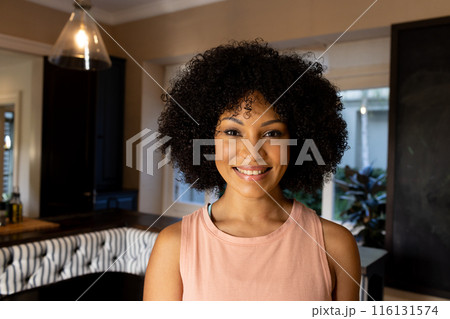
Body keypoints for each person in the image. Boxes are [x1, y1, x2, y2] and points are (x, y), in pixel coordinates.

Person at [143, 39, 361, 301]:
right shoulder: (173, 246)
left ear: (298, 141)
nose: (252, 151)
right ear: (206, 141)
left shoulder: (335, 245)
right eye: (233, 132)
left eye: (271, 133)